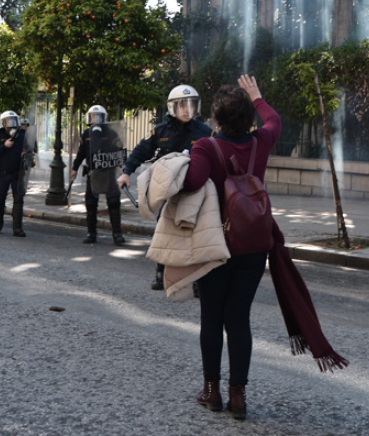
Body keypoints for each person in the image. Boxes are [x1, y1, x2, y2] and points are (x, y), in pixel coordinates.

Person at [182, 75, 280, 421]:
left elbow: (192, 181)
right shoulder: (261, 142)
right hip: (253, 244)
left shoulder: (207, 147)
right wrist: (256, 95)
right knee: (239, 319)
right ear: (247, 119)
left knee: (212, 317)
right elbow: (274, 120)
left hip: (217, 243)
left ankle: (212, 391)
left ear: (217, 119)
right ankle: (238, 396)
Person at [117, 85, 214, 289]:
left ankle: (196, 280)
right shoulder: (160, 131)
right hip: (168, 191)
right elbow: (140, 151)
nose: (188, 109)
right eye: (182, 104)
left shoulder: (206, 132)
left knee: (194, 233)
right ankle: (161, 273)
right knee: (163, 231)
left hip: (193, 191)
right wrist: (127, 172)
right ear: (173, 107)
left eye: (192, 104)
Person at [71, 105, 125, 245]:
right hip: (92, 172)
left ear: (103, 118)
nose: (96, 119)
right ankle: (91, 233)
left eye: (99, 116)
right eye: (94, 116)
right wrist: (74, 168)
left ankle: (117, 234)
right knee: (91, 203)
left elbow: (118, 150)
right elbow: (81, 152)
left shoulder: (111, 133)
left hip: (109, 172)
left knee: (113, 202)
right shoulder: (87, 133)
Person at [0, 110, 28, 236]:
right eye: (9, 121)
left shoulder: (22, 136)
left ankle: (17, 228)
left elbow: (31, 149)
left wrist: (25, 153)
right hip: (3, 173)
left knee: (19, 200)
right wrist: (4, 145)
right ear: (4, 123)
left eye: (14, 121)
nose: (12, 124)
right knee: (0, 199)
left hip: (17, 173)